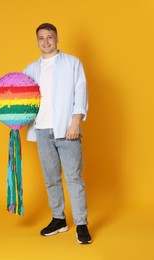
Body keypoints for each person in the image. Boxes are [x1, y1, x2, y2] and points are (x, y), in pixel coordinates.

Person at [23, 23, 92, 244]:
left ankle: (81, 224)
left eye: (49, 37)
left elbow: (80, 93)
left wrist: (75, 123)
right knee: (51, 179)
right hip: (42, 131)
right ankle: (58, 219)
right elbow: (19, 94)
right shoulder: (31, 69)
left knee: (73, 178)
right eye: (41, 38)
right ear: (37, 41)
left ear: (57, 38)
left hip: (66, 130)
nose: (46, 42)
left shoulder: (73, 63)